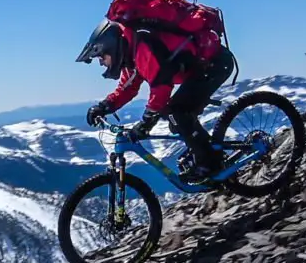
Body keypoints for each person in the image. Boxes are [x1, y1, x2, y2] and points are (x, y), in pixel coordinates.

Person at [75, 16, 235, 183]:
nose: (101, 63)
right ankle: (205, 152)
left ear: (111, 48)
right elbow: (127, 88)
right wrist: (104, 106)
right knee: (174, 116)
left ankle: (211, 163)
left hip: (215, 64)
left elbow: (161, 89)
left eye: (102, 57)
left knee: (177, 113)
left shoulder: (143, 50)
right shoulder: (132, 54)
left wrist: (146, 123)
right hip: (201, 69)